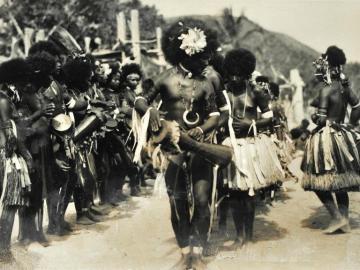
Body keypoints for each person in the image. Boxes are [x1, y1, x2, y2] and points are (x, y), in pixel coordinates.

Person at [134, 19, 221, 269]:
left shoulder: (206, 82)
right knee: (178, 203)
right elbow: (140, 101)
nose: (206, 60)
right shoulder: (163, 80)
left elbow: (214, 114)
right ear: (186, 53)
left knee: (203, 201)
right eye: (202, 56)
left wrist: (200, 129)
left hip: (201, 148)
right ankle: (186, 254)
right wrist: (158, 120)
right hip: (173, 151)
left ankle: (199, 252)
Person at [220, 49, 284, 247]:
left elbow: (270, 118)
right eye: (231, 74)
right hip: (230, 146)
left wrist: (251, 124)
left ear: (246, 73)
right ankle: (239, 235)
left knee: (249, 194)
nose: (234, 78)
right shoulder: (223, 93)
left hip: (251, 146)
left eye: (239, 74)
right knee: (232, 193)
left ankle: (248, 235)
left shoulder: (255, 91)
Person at [301, 46, 360, 233]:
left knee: (317, 180)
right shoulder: (345, 89)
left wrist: (313, 119)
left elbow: (321, 119)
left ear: (328, 69)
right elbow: (358, 107)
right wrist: (350, 124)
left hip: (326, 137)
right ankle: (345, 220)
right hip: (342, 134)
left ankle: (336, 217)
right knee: (340, 180)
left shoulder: (325, 91)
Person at [0, 59, 33, 261]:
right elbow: (9, 133)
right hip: (6, 156)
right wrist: (25, 155)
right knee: (11, 202)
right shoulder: (3, 99)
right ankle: (4, 251)